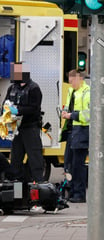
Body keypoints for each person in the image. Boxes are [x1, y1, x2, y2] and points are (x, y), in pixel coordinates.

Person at [3, 62, 44, 182]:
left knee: (35, 158)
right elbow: (5, 102)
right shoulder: (12, 88)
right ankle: (16, 189)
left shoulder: (34, 88)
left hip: (30, 127)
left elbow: (34, 108)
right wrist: (6, 109)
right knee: (15, 159)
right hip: (17, 129)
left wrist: (18, 110)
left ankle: (38, 185)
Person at [61, 69, 90, 203]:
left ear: (79, 78)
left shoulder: (87, 93)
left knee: (78, 165)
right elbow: (68, 106)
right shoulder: (72, 91)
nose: (71, 84)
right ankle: (71, 192)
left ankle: (79, 194)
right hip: (72, 131)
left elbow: (89, 114)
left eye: (72, 81)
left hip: (82, 131)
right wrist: (65, 112)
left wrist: (72, 115)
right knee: (69, 164)